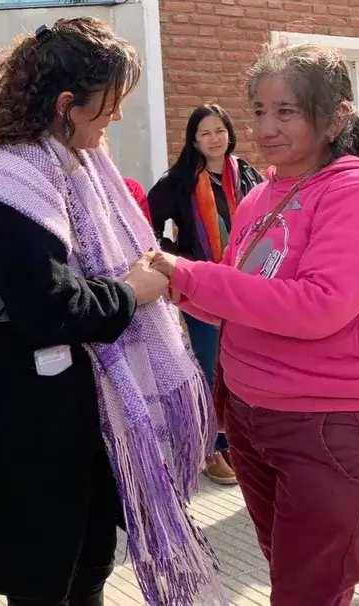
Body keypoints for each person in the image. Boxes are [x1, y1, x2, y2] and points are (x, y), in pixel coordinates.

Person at [0, 18, 223, 606]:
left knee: (89, 561)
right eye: (109, 104)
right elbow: (50, 307)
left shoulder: (73, 168)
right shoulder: (7, 183)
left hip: (79, 407)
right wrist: (135, 291)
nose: (116, 118)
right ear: (66, 105)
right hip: (27, 418)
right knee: (42, 576)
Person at [147, 43, 359, 606]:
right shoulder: (263, 193)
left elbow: (320, 305)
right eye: (259, 110)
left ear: (337, 115)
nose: (265, 127)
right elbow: (241, 301)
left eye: (286, 111)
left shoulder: (358, 192)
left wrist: (190, 276)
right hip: (251, 417)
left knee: (307, 594)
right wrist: (173, 287)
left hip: (330, 426)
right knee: (291, 581)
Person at [147, 103, 263, 485]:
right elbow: (145, 222)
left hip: (245, 287)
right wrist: (175, 259)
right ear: (194, 141)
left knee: (243, 365)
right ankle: (210, 447)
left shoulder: (246, 173)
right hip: (202, 287)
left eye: (219, 131)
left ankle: (239, 443)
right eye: (205, 133)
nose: (214, 139)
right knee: (209, 365)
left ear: (229, 133)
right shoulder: (178, 180)